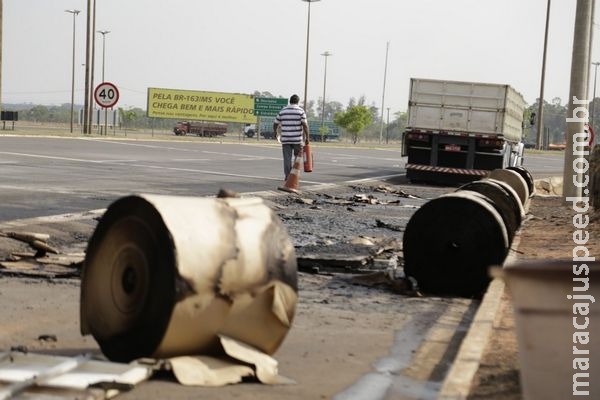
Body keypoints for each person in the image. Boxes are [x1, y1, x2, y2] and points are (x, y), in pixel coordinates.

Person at [273, 94, 310, 180]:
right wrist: (307, 138)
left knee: (287, 158)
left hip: (285, 139)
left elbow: (275, 123)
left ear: (290, 101)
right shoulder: (301, 111)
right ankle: (294, 176)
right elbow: (305, 125)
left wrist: (276, 132)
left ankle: (287, 176)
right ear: (297, 102)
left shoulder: (283, 111)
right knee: (297, 158)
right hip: (297, 140)